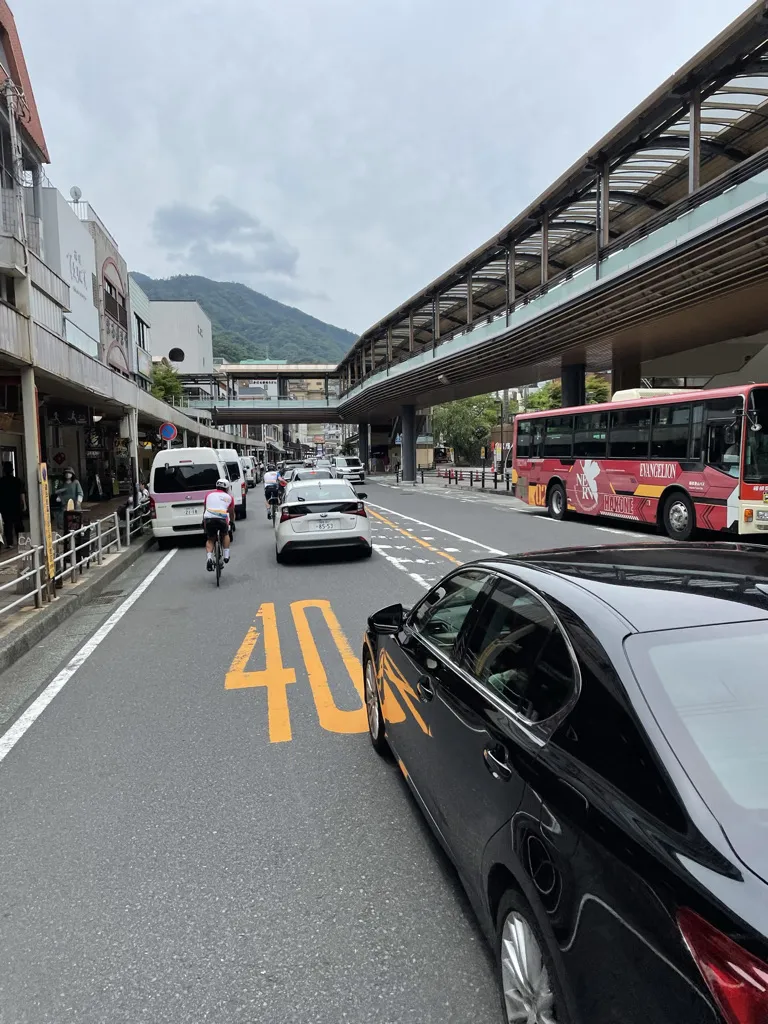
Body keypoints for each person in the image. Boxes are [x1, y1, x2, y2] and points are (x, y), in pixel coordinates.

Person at [203, 478, 234, 571]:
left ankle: (209, 558)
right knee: (225, 534)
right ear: (227, 488)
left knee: (210, 538)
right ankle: (226, 555)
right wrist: (232, 522)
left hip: (208, 518)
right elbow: (231, 513)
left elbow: (205, 509)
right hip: (221, 519)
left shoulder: (208, 494)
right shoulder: (229, 497)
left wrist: (203, 521)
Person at [0, 462, 26, 548]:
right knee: (19, 524)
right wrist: (24, 504)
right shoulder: (17, 481)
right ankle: (21, 541)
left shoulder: (1, 481)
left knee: (8, 525)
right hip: (16, 505)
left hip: (5, 506)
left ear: (3, 471)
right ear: (12, 470)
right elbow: (22, 493)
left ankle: (10, 543)